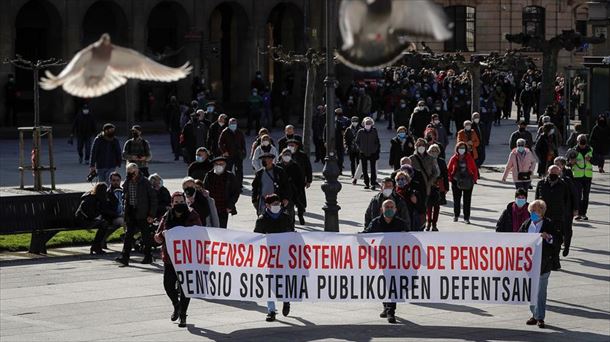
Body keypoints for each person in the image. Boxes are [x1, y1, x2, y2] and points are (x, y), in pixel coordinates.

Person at [154, 192, 202, 328]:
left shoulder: (193, 215)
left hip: (187, 259)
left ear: (185, 202)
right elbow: (157, 236)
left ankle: (183, 315)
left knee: (185, 288)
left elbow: (199, 233)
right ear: (172, 204)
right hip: (170, 258)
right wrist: (160, 236)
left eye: (181, 202)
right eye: (176, 202)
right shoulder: (166, 216)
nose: (179, 204)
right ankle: (176, 304)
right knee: (168, 285)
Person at [363, 199, 410, 324]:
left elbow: (409, 239)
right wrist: (357, 237)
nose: (389, 209)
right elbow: (366, 235)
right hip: (380, 259)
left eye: (391, 206)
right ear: (381, 210)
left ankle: (391, 311)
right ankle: (386, 306)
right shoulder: (376, 222)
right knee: (384, 284)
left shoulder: (401, 223)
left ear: (395, 209)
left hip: (395, 260)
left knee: (392, 284)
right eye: (387, 207)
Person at [254, 194, 294, 322]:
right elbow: (257, 237)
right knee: (270, 282)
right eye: (274, 204)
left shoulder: (286, 217)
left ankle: (286, 300)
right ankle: (271, 310)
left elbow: (291, 233)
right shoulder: (262, 220)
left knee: (284, 280)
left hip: (284, 254)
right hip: (269, 255)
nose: (277, 206)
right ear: (267, 205)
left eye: (278, 204)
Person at [520, 200, 559, 329]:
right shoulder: (527, 224)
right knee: (531, 291)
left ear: (541, 212)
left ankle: (540, 317)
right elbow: (518, 238)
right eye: (531, 211)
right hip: (529, 264)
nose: (532, 214)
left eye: (534, 211)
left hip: (544, 264)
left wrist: (548, 237)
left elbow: (557, 240)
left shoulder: (548, 224)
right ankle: (534, 314)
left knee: (541, 292)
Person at [115, 163, 157, 266]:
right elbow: (125, 194)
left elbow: (153, 199)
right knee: (128, 235)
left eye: (133, 173)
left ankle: (148, 256)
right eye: (129, 173)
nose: (131, 175)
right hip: (131, 212)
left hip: (143, 212)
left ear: (137, 171)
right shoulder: (128, 181)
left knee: (145, 235)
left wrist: (151, 214)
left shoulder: (145, 182)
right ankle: (125, 257)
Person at [535, 165, 571, 269]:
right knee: (543, 239)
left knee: (557, 239)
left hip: (557, 217)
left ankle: (555, 260)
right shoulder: (541, 183)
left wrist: (566, 215)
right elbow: (537, 200)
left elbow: (567, 200)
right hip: (543, 217)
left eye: (555, 174)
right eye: (551, 173)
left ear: (559, 174)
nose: (553, 175)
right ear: (547, 172)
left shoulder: (563, 185)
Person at [203, 157, 240, 228]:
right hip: (211, 207)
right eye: (217, 164)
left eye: (221, 164)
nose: (219, 165)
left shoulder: (230, 176)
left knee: (222, 228)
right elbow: (204, 189)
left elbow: (235, 192)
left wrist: (230, 205)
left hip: (224, 208)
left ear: (225, 165)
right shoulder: (209, 175)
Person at [75, 182, 110, 255]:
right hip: (83, 220)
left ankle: (96, 246)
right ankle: (96, 246)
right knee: (104, 224)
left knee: (104, 224)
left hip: (90, 219)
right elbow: (88, 212)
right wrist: (97, 216)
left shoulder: (99, 198)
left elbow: (103, 210)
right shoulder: (89, 199)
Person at [447, 142, 478, 224]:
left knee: (467, 200)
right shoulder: (454, 158)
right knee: (456, 200)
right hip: (456, 181)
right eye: (460, 148)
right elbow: (449, 169)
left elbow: (474, 169)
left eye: (463, 148)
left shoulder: (469, 157)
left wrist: (474, 179)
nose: (462, 150)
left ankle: (466, 217)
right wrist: (450, 178)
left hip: (468, 181)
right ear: (457, 149)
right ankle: (456, 215)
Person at [554, 157, 578, 257]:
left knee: (567, 229)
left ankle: (567, 245)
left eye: (558, 164)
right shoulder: (551, 174)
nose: (556, 166)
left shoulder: (567, 176)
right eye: (554, 163)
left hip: (567, 208)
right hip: (556, 209)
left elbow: (575, 193)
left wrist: (576, 208)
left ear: (563, 165)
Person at [286, 139, 312, 224]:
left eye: (292, 145)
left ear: (296, 146)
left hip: (299, 183)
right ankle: (291, 219)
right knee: (290, 202)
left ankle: (300, 215)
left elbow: (308, 168)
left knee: (300, 202)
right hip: (288, 183)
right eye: (289, 145)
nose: (291, 147)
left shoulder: (302, 155)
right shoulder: (285, 155)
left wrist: (308, 180)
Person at [409, 138, 440, 203]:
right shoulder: (411, 159)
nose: (421, 147)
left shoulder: (430, 158)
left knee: (425, 207)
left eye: (423, 145)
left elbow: (435, 172)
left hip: (427, 187)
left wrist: (430, 182)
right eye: (419, 145)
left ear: (426, 146)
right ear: (416, 147)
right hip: (415, 187)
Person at [219, 118, 247, 186]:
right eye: (231, 123)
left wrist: (243, 152)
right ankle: (227, 184)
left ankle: (239, 185)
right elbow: (220, 143)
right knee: (228, 170)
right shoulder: (225, 132)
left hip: (238, 154)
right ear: (229, 124)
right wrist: (224, 151)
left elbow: (243, 143)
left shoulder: (239, 132)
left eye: (234, 123)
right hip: (229, 155)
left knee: (239, 171)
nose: (233, 125)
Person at [426, 144, 447, 231]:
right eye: (431, 151)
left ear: (438, 152)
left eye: (435, 151)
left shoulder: (441, 161)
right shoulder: (427, 161)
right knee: (429, 207)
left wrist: (446, 188)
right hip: (429, 186)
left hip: (439, 186)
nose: (433, 152)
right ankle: (428, 223)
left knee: (437, 207)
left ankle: (434, 224)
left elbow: (445, 174)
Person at [572, 134, 594, 221]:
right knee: (577, 195)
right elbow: (567, 162)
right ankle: (577, 213)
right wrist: (572, 162)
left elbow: (596, 160)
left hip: (587, 176)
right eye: (581, 143)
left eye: (584, 143)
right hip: (577, 176)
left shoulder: (590, 149)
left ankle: (583, 213)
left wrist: (590, 159)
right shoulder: (573, 150)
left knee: (585, 196)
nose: (582, 145)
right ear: (577, 142)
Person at [355, 117, 381, 190]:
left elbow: (377, 142)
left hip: (373, 153)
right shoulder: (360, 132)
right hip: (363, 153)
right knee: (364, 169)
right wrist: (361, 149)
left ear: (372, 124)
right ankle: (366, 183)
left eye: (369, 123)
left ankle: (373, 183)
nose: (368, 124)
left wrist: (375, 149)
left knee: (373, 169)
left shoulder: (374, 131)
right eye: (367, 123)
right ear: (364, 124)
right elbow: (357, 142)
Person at [164, 96, 182, 161]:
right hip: (175, 127)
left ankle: (177, 153)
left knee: (176, 141)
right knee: (175, 141)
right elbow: (167, 117)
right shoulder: (172, 107)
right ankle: (177, 153)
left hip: (176, 127)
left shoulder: (177, 107)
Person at [344, 116, 361, 180]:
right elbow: (345, 138)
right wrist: (346, 146)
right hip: (351, 148)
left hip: (358, 148)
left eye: (356, 121)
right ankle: (353, 174)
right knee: (352, 162)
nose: (355, 123)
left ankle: (358, 174)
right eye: (353, 121)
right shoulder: (348, 129)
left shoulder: (360, 129)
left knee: (359, 162)